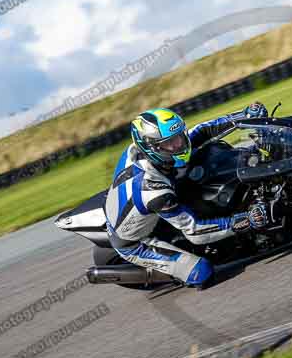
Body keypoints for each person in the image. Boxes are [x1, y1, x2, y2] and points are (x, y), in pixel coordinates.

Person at [103, 103, 270, 288]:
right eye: (169, 143)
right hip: (135, 242)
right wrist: (244, 221)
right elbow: (195, 231)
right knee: (202, 272)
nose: (179, 145)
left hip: (145, 201)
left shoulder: (144, 149)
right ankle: (170, 270)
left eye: (179, 137)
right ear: (151, 148)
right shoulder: (154, 190)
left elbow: (201, 131)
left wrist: (243, 116)